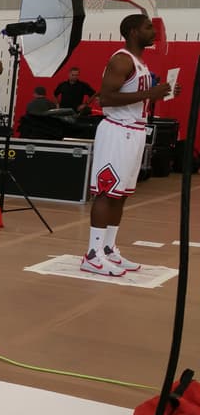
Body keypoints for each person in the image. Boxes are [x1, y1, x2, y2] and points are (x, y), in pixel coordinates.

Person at [80, 14, 174, 277]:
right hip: (117, 131)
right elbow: (106, 98)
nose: (153, 32)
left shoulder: (141, 63)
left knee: (121, 194)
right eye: (147, 28)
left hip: (134, 131)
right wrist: (149, 93)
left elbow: (136, 98)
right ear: (133, 32)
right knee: (106, 191)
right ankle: (91, 254)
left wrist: (160, 93)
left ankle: (108, 250)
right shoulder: (121, 59)